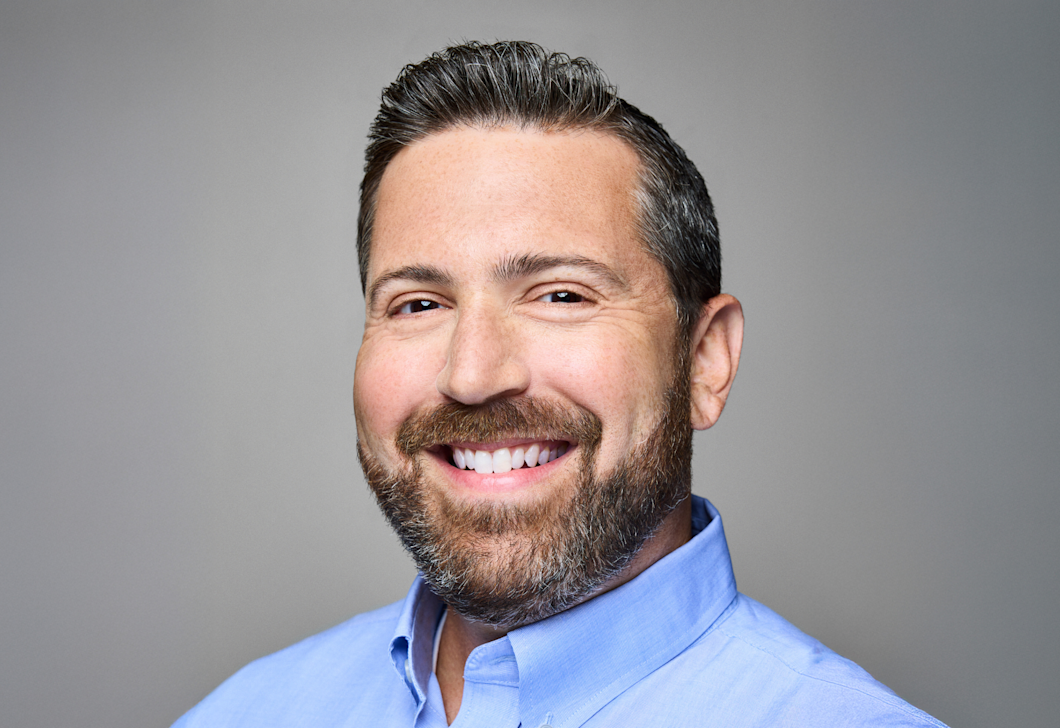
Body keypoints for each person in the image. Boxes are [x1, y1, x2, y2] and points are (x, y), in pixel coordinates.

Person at [174, 41, 947, 727]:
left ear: (705, 361)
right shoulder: (245, 712)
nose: (472, 375)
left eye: (562, 295)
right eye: (418, 303)